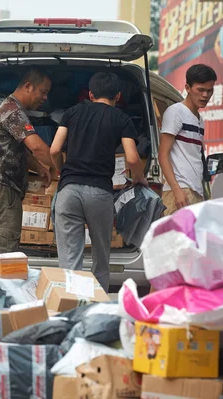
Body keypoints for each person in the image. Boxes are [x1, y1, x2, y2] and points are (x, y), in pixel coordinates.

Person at [50, 72, 147, 291]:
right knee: (101, 259)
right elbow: (132, 158)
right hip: (99, 193)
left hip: (69, 190)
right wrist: (140, 177)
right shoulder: (121, 119)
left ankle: (71, 307)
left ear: (91, 94)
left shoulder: (72, 113)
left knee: (70, 260)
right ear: (118, 95)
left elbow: (55, 149)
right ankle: (96, 308)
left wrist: (61, 171)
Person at [0, 68, 54, 253]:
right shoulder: (13, 112)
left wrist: (39, 167)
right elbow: (36, 146)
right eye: (43, 92)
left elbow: (18, 150)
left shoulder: (15, 110)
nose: (45, 98)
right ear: (28, 86)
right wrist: (64, 167)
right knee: (2, 253)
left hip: (0, 192)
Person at [158, 64, 216, 216]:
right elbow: (163, 155)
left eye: (209, 90)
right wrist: (177, 190)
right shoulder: (176, 112)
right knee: (175, 239)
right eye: (200, 90)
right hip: (179, 191)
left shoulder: (199, 119)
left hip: (195, 190)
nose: (205, 95)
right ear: (188, 88)